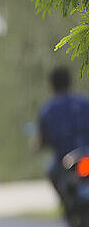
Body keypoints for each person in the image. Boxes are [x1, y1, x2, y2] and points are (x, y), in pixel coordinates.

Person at [37, 66, 89, 208]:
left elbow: (43, 138)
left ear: (52, 84)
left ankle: (65, 204)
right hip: (86, 154)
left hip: (64, 160)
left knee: (51, 170)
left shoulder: (48, 109)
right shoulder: (84, 102)